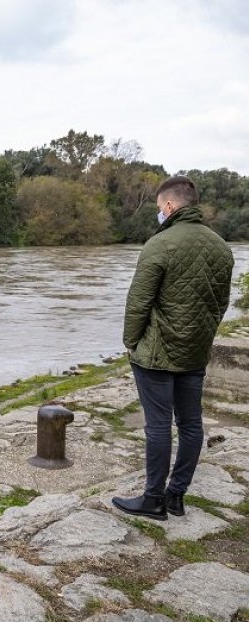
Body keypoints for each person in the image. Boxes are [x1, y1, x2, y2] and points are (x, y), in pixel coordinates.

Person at [112, 176, 234, 521]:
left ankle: (153, 500)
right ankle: (176, 496)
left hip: (156, 353)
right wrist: (203, 336)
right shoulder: (220, 247)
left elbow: (138, 302)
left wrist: (131, 342)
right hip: (195, 351)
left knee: (159, 425)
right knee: (192, 424)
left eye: (157, 208)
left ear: (168, 206)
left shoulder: (160, 244)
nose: (158, 214)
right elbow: (220, 304)